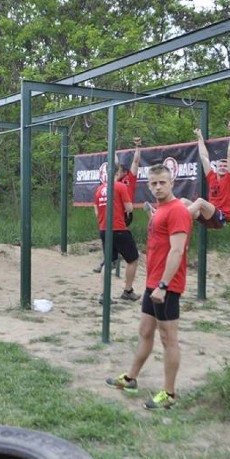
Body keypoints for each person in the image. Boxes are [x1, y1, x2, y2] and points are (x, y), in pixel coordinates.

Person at [105, 164, 192, 410]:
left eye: (162, 182)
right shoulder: (162, 210)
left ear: (172, 182)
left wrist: (164, 285)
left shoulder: (177, 211)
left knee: (168, 339)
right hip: (153, 284)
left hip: (167, 286)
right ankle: (131, 378)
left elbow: (177, 251)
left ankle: (169, 394)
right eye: (153, 183)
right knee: (145, 332)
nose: (158, 187)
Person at [93, 161, 139, 303]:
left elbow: (96, 211)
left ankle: (104, 294)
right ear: (118, 172)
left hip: (104, 229)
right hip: (119, 229)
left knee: (109, 261)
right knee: (133, 259)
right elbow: (129, 208)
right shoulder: (120, 186)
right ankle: (128, 290)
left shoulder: (99, 189)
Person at [93, 137, 142, 273]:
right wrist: (111, 146)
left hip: (125, 214)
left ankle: (109, 261)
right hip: (114, 213)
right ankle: (109, 261)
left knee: (117, 237)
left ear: (124, 172)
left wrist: (138, 147)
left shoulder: (129, 179)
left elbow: (136, 161)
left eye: (120, 170)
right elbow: (114, 163)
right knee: (113, 238)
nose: (117, 171)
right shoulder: (111, 185)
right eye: (117, 170)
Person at [179, 121, 230, 228]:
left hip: (220, 218)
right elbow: (204, 157)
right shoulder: (212, 177)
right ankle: (159, 214)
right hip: (208, 217)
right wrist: (199, 138)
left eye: (225, 166)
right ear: (217, 167)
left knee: (200, 201)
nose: (222, 167)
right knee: (183, 201)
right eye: (220, 165)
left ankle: (172, 217)